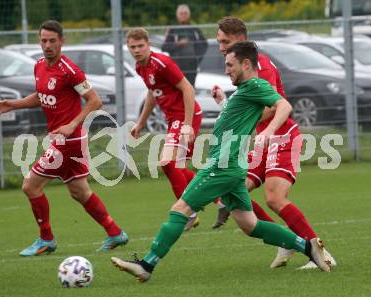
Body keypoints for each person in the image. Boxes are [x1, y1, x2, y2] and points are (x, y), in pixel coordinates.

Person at [110, 41, 331, 283]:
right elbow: (240, 118)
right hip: (231, 166)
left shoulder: (256, 85)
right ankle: (309, 247)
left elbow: (284, 105)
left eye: (230, 64)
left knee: (181, 210)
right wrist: (223, 102)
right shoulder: (246, 89)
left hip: (223, 165)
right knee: (250, 225)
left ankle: (146, 265)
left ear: (246, 64)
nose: (226, 69)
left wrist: (268, 132)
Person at [0, 20, 128, 256]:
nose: (47, 45)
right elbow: (42, 95)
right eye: (43, 40)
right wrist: (13, 104)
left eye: (52, 41)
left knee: (30, 186)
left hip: (68, 141)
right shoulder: (39, 66)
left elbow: (95, 101)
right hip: (65, 141)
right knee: (79, 192)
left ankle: (46, 239)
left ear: (62, 41)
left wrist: (72, 124)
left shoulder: (70, 70)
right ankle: (115, 232)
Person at [213, 16, 336, 270]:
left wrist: (245, 127)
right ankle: (285, 240)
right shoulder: (239, 65)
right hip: (260, 141)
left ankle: (320, 252)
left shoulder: (261, 65)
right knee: (232, 189)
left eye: (225, 41)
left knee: (275, 197)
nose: (221, 47)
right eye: (219, 42)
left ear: (241, 39)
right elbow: (247, 108)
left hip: (280, 136)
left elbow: (273, 106)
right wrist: (225, 105)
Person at [127, 27, 203, 231]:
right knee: (177, 167)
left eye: (140, 46)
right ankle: (220, 200)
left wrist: (187, 124)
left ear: (148, 44)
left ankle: (188, 212)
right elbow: (152, 93)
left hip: (185, 116)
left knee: (168, 162)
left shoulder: (162, 62)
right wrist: (141, 122)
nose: (136, 50)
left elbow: (188, 88)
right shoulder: (140, 67)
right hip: (174, 119)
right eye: (132, 47)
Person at [162, 4, 208, 86]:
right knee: (177, 92)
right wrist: (178, 44)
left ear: (189, 15)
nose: (183, 15)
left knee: (190, 90)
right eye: (181, 13)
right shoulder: (172, 30)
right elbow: (164, 47)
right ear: (177, 15)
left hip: (192, 68)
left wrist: (197, 59)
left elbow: (204, 44)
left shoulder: (194, 29)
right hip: (176, 68)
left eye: (185, 13)